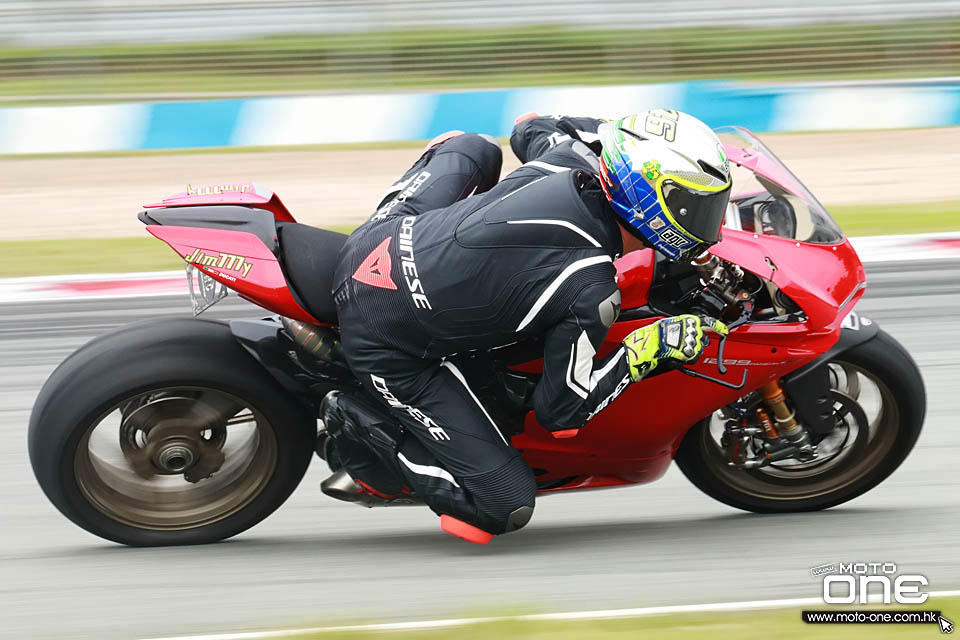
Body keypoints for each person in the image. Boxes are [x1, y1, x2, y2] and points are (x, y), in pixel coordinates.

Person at [324, 110, 731, 544]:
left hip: (379, 237)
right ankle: (351, 414)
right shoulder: (589, 288)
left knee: (473, 145)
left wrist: (617, 138)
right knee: (503, 506)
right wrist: (647, 349)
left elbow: (529, 123)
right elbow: (561, 411)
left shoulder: (567, 158)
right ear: (650, 199)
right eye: (697, 206)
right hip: (384, 338)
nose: (711, 222)